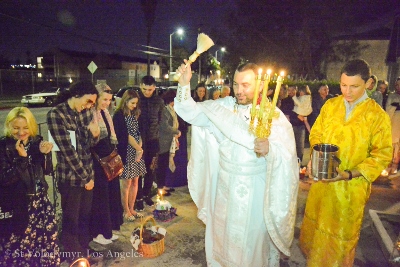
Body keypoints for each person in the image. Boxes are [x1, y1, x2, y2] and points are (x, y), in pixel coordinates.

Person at [174, 60, 298, 266]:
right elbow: (190, 112)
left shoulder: (273, 117)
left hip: (255, 192)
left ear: (259, 85)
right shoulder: (222, 108)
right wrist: (184, 84)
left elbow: (288, 159)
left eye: (246, 85)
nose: (239, 91)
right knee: (223, 241)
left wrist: (270, 150)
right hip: (224, 189)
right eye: (236, 84)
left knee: (250, 246)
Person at [299, 59, 392, 266]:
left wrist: (348, 174)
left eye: (354, 86)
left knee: (338, 247)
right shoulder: (331, 105)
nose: (347, 91)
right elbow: (316, 134)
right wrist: (316, 157)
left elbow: (382, 155)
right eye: (343, 85)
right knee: (315, 239)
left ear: (368, 84)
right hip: (321, 187)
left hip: (349, 192)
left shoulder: (377, 116)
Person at [47, 80, 100, 262]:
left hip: (87, 174)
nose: (89, 106)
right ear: (76, 95)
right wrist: (86, 178)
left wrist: (95, 134)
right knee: (71, 219)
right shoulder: (56, 115)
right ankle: (73, 255)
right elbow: (68, 151)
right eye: (88, 101)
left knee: (85, 216)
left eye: (92, 103)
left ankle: (84, 249)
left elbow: (87, 146)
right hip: (70, 177)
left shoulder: (84, 114)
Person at [0, 107, 59, 266]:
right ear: (9, 126)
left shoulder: (35, 142)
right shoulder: (3, 146)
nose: (21, 132)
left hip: (40, 203)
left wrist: (45, 153)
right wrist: (22, 159)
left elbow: (47, 171)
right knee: (20, 247)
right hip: (19, 205)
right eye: (16, 128)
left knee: (44, 244)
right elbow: (5, 179)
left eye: (25, 127)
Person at [89, 83, 123, 245]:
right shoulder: (90, 113)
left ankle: (107, 231)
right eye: (104, 99)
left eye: (109, 100)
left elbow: (110, 136)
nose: (107, 103)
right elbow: (92, 140)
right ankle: (98, 233)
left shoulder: (105, 113)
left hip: (107, 160)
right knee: (100, 198)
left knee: (110, 196)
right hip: (97, 162)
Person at [113, 89, 147, 220]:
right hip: (127, 151)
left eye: (136, 103)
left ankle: (132, 208)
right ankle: (125, 210)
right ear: (125, 101)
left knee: (135, 181)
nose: (134, 106)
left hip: (137, 150)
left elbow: (139, 132)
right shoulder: (119, 114)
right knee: (126, 183)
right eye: (132, 103)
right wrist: (139, 148)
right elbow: (125, 136)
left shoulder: (135, 113)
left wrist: (140, 147)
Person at [135, 75, 165, 210]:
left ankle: (146, 194)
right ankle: (138, 197)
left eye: (150, 89)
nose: (147, 92)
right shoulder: (136, 99)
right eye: (144, 89)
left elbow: (160, 119)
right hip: (138, 141)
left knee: (151, 169)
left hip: (153, 140)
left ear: (154, 88)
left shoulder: (158, 101)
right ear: (140, 86)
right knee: (138, 171)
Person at [156, 90, 181, 196]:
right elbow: (164, 126)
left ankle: (163, 185)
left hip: (168, 141)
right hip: (163, 141)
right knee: (161, 165)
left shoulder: (171, 110)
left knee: (165, 163)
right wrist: (176, 131)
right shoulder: (165, 110)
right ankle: (159, 188)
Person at [281, 85, 306, 162]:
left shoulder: (301, 99)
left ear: (296, 90)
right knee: (291, 146)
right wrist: (297, 114)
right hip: (290, 126)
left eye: (293, 90)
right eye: (289, 90)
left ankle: (299, 164)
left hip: (300, 126)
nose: (291, 92)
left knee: (300, 147)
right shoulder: (285, 101)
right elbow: (286, 113)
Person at [385, 77, 400, 174]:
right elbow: (388, 110)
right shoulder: (392, 96)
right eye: (397, 85)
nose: (398, 87)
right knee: (392, 146)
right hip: (394, 124)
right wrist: (396, 106)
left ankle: (395, 167)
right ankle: (388, 167)